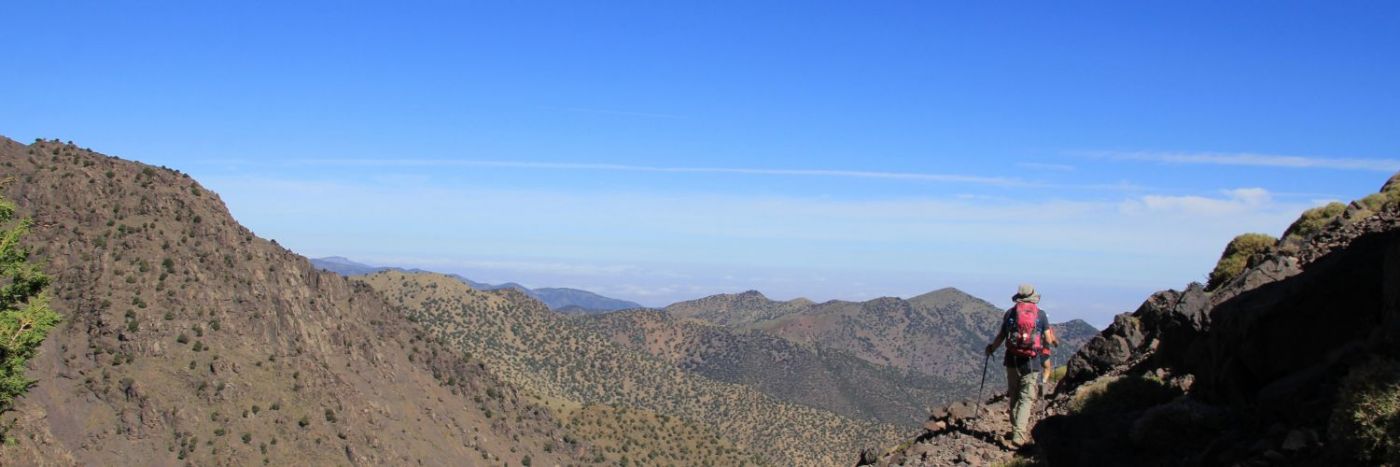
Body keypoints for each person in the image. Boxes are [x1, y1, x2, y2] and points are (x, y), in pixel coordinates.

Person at [984, 283, 1052, 447]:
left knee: (1014, 396)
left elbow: (1001, 336)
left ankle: (1016, 429)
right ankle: (1019, 436)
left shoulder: (1010, 313)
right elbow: (1049, 340)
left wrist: (991, 349)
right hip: (1031, 362)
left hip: (1012, 360)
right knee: (1026, 398)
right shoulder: (1040, 315)